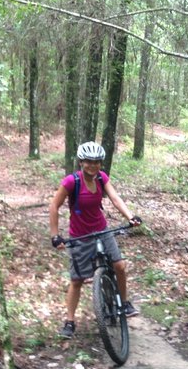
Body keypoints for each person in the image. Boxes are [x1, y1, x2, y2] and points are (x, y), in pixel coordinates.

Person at [49, 141, 142, 338]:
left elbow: (115, 199)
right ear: (81, 162)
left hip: (102, 229)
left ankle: (124, 304)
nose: (93, 165)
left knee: (120, 266)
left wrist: (130, 217)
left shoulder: (101, 178)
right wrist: (55, 235)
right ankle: (70, 321)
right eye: (89, 161)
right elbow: (54, 206)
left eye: (97, 162)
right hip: (80, 235)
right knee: (77, 280)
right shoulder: (71, 182)